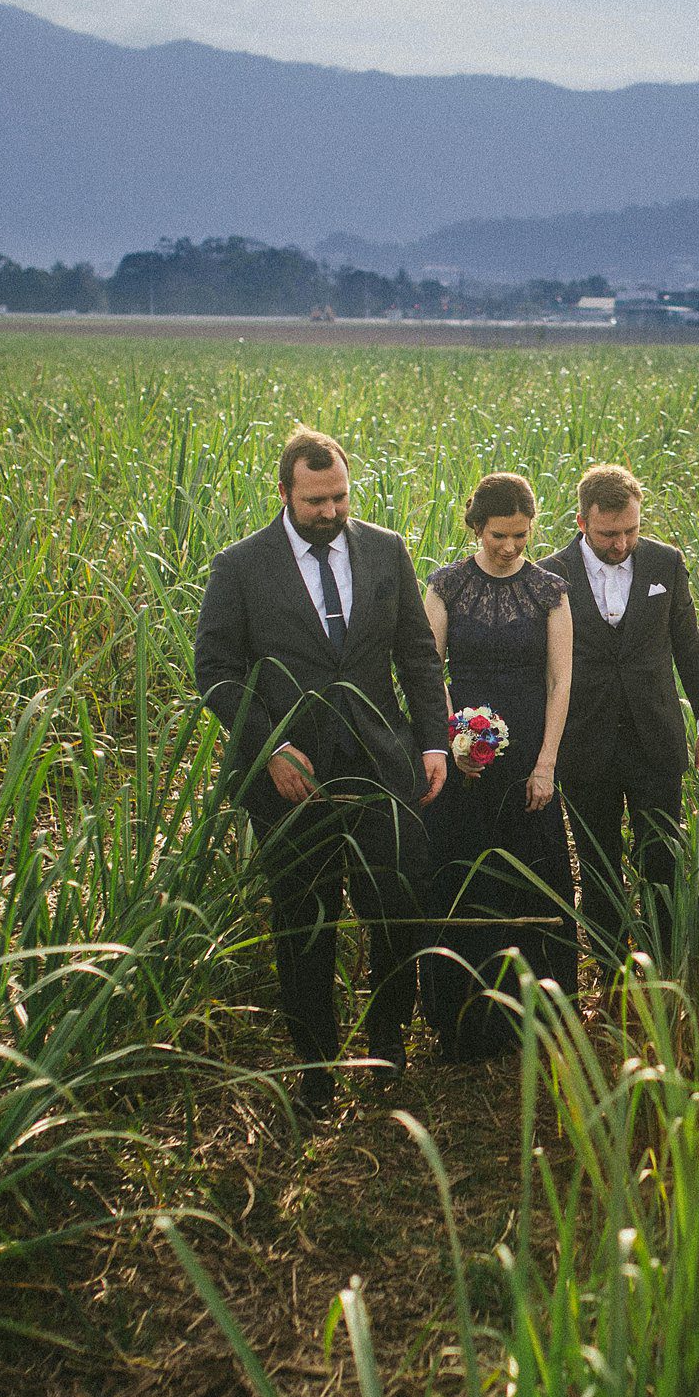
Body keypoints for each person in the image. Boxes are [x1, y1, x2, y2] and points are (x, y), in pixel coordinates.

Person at [194, 428, 447, 1113]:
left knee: (395, 903)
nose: (330, 511)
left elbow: (418, 657)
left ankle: (388, 1030)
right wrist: (269, 745)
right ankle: (316, 1068)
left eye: (339, 496)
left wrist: (433, 743)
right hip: (291, 778)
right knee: (305, 922)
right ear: (284, 494)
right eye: (315, 501)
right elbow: (214, 672)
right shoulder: (240, 566)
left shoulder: (386, 550)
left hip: (378, 759)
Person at [543, 463, 699, 980]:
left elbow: (688, 647)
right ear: (582, 522)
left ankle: (665, 967)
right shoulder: (552, 575)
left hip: (655, 737)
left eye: (631, 530)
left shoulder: (665, 563)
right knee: (598, 865)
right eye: (608, 534)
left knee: (661, 859)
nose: (621, 543)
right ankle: (609, 969)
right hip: (586, 742)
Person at [421, 474, 575, 1057]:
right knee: (463, 880)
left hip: (529, 753)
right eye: (497, 536)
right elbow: (428, 670)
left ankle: (537, 1024)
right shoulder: (446, 587)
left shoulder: (550, 591)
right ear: (475, 529)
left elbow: (560, 679)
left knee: (530, 882)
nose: (509, 547)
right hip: (462, 755)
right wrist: (450, 744)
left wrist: (546, 764)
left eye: (519, 535)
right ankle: (461, 1022)